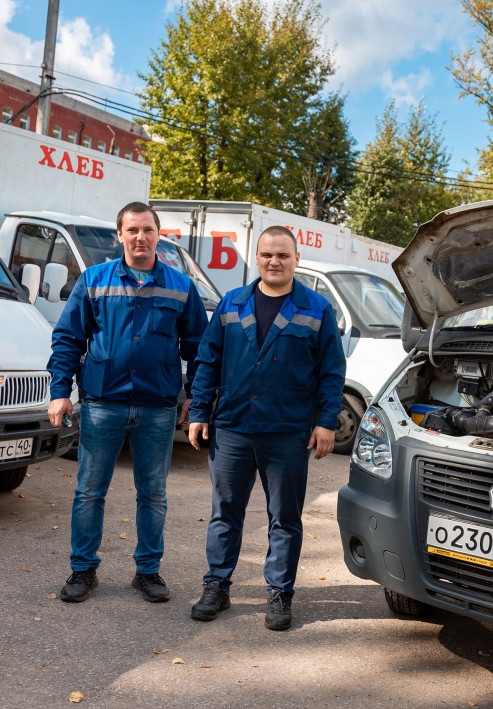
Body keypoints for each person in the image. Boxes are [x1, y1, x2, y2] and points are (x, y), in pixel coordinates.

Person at [187, 226, 346, 630]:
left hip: (287, 432)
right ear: (256, 258)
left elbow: (331, 371)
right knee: (225, 513)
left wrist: (326, 422)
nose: (274, 262)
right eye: (266, 255)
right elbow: (207, 361)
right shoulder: (231, 303)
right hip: (233, 428)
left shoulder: (316, 309)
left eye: (283, 255)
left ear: (296, 259)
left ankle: (279, 593)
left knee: (284, 517)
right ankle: (217, 586)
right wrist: (199, 411)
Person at [48, 201, 207, 604]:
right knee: (89, 491)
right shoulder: (94, 280)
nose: (140, 238)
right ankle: (83, 569)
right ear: (119, 235)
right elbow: (68, 338)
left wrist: (196, 399)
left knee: (153, 493)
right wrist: (59, 392)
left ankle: (148, 572)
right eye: (132, 230)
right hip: (104, 404)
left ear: (159, 235)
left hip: (158, 408)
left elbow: (199, 350)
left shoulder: (180, 286)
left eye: (148, 230)